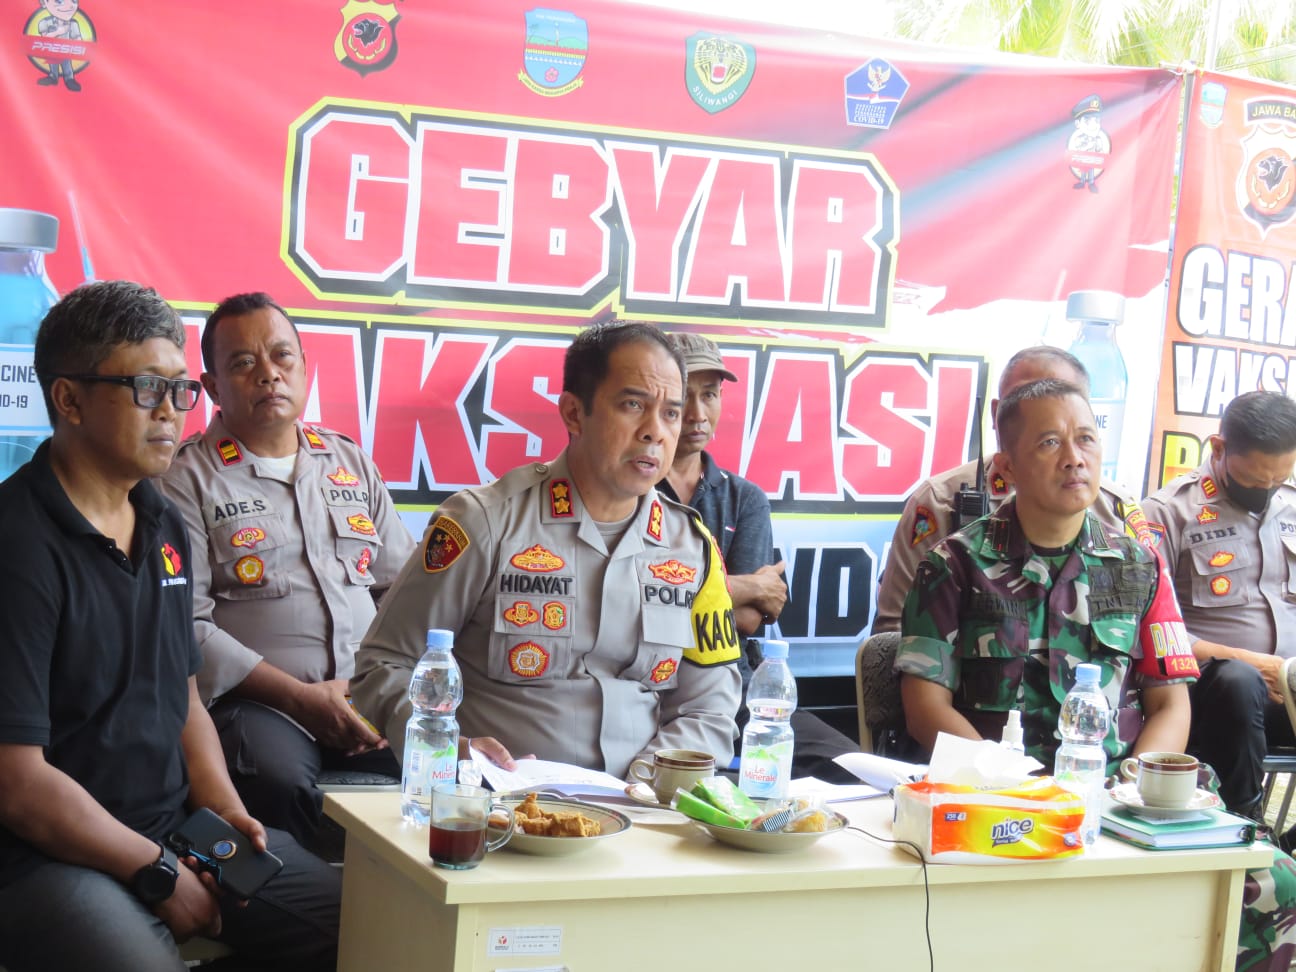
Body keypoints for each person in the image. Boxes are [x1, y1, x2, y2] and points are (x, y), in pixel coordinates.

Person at [897, 378, 1296, 972]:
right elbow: (925, 708)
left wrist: (1136, 782)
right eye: (1049, 443)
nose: (1074, 458)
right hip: (996, 799)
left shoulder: (1139, 564)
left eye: (1085, 438)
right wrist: (1014, 786)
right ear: (1007, 465)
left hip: (1115, 799)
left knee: (1274, 882)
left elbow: (1171, 703)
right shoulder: (954, 565)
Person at [0, 280, 339, 972]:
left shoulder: (162, 523)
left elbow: (183, 700)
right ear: (69, 400)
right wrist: (154, 869)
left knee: (372, 926)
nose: (171, 412)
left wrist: (226, 812)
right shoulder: (18, 543)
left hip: (175, 830)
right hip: (42, 855)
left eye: (181, 390)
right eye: (147, 388)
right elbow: (17, 782)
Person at [352, 321, 743, 777]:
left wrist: (644, 783)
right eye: (633, 405)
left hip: (639, 805)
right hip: (500, 803)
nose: (655, 432)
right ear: (574, 413)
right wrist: (450, 750)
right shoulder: (484, 522)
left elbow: (709, 708)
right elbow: (383, 665)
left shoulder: (692, 548)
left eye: (670, 413)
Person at [157, 291, 417, 853]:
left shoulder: (348, 461)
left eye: (282, 357)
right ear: (212, 387)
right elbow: (183, 626)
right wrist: (301, 699)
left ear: (303, 367)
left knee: (445, 767)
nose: (268, 374)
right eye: (243, 363)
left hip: (363, 695)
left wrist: (378, 689)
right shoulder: (184, 479)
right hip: (257, 706)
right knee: (280, 784)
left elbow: (403, 593)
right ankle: (301, 904)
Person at [657, 332, 859, 780]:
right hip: (651, 690)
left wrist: (673, 597)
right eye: (684, 395)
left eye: (710, 395)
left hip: (741, 691)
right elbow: (632, 599)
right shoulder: (631, 491)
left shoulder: (744, 498)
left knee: (853, 768)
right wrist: (746, 586)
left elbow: (747, 621)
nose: (697, 412)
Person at [872, 344, 1151, 636]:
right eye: (1024, 397)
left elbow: (1153, 639)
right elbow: (894, 633)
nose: (1044, 409)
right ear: (997, 414)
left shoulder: (1116, 510)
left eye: (1060, 396)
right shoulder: (940, 502)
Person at [1142, 391, 1296, 820]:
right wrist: (1245, 660)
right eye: (1254, 480)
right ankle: (1246, 826)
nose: (1266, 491)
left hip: (1291, 689)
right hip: (1214, 691)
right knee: (1239, 680)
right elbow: (1150, 628)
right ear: (1218, 449)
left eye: (1278, 479)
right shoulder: (1169, 512)